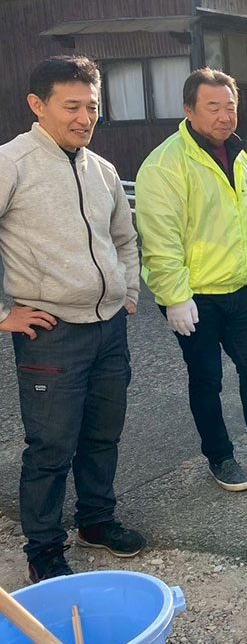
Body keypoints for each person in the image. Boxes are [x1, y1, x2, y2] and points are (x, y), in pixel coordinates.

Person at [135, 68, 247, 492]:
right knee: (207, 379)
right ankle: (219, 457)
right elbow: (160, 239)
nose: (224, 116)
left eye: (230, 106)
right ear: (188, 110)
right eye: (212, 107)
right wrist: (174, 296)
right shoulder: (165, 164)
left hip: (234, 287)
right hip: (192, 293)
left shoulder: (237, 154)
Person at [0, 56, 146, 583]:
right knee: (51, 447)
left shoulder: (101, 168)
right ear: (37, 106)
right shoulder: (12, 163)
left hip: (109, 328)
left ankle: (96, 521)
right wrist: (3, 315)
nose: (85, 117)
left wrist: (128, 289)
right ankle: (43, 547)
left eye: (92, 106)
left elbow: (125, 239)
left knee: (103, 435)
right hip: (50, 333)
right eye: (72, 106)